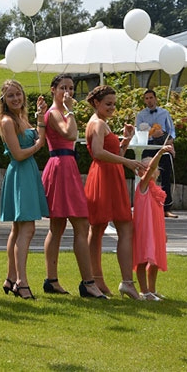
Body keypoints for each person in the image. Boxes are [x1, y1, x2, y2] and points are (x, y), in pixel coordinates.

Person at [40, 75, 106, 299]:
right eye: (62, 88)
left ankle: (52, 280)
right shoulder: (54, 113)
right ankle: (87, 282)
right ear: (53, 90)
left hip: (66, 166)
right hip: (61, 167)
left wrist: (69, 110)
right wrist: (70, 110)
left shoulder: (61, 111)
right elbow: (70, 133)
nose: (67, 92)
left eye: (71, 88)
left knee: (61, 226)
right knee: (79, 225)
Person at [84, 85, 143, 300]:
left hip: (105, 175)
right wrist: (127, 161)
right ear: (97, 103)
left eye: (113, 104)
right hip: (105, 176)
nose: (112, 107)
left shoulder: (98, 122)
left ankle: (97, 279)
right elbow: (99, 153)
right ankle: (126, 282)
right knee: (124, 227)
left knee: (98, 229)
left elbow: (110, 153)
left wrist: (125, 141)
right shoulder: (98, 123)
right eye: (108, 103)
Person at [0, 80, 49, 300]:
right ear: (4, 100)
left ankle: (11, 277)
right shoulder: (8, 121)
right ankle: (22, 282)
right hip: (20, 173)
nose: (16, 98)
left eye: (18, 94)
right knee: (27, 229)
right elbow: (18, 154)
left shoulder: (21, 118)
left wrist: (39, 116)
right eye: (11, 96)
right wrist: (38, 146)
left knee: (18, 229)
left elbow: (36, 135)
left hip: (26, 173)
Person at [133, 146, 172, 300]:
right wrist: (160, 152)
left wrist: (164, 232)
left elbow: (158, 215)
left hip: (155, 229)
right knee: (143, 259)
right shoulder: (143, 187)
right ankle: (144, 291)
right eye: (148, 167)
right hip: (144, 229)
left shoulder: (155, 190)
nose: (153, 169)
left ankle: (152, 289)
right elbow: (151, 168)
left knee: (155, 259)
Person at [135, 89, 178, 218]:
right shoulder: (141, 115)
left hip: (163, 146)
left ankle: (166, 208)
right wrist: (152, 134)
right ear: (144, 100)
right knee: (147, 176)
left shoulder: (165, 113)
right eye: (146, 98)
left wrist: (170, 142)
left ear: (155, 98)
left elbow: (172, 131)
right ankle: (146, 205)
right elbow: (138, 131)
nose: (149, 100)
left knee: (166, 177)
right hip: (148, 146)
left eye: (151, 97)